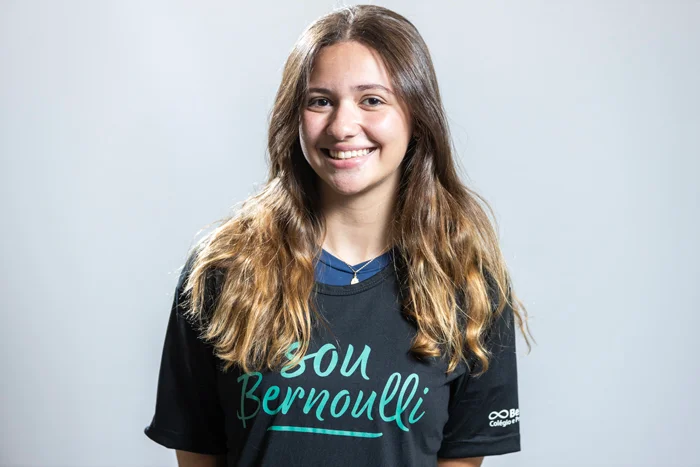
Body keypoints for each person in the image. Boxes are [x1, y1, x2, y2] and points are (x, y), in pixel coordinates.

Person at [144, 4, 533, 467]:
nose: (343, 127)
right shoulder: (224, 270)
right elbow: (198, 453)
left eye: (372, 100)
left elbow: (461, 459)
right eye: (320, 101)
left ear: (416, 114)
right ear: (294, 115)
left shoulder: (467, 284)